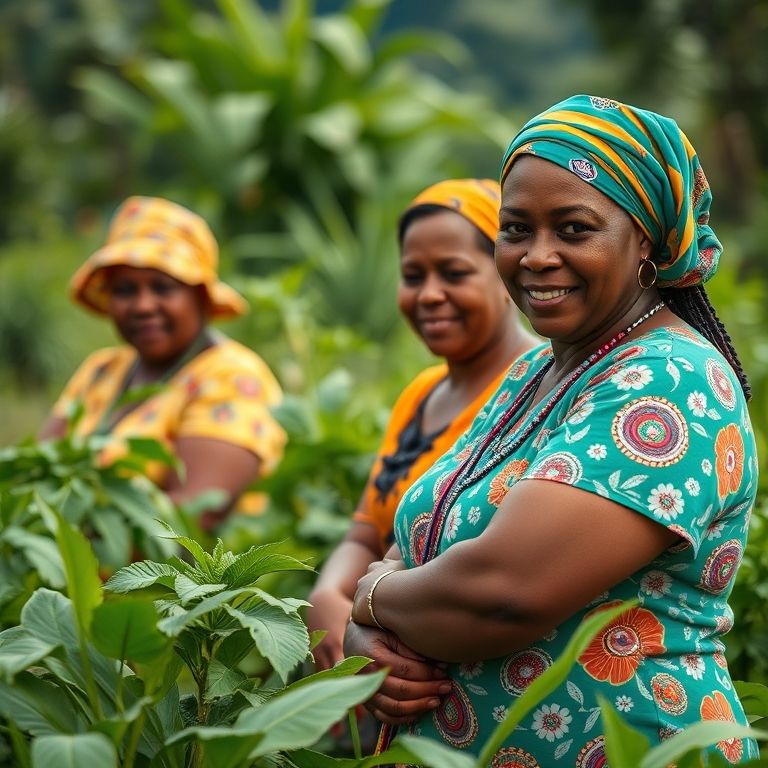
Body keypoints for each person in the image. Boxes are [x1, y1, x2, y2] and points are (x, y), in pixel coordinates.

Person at [345, 95, 759, 764]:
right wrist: (370, 636)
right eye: (516, 229)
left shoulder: (668, 380)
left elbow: (501, 594)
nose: (537, 256)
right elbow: (421, 545)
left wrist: (370, 600)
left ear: (646, 238)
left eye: (573, 229)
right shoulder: (536, 370)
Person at [307, 179, 539, 671]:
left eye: (454, 273)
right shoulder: (421, 395)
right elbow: (366, 531)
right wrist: (328, 595)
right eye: (413, 275)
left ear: (504, 274)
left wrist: (364, 615)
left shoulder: (538, 388)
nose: (430, 294)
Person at [40, 196, 287, 531]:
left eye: (163, 287)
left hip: (171, 581)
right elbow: (40, 467)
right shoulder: (102, 370)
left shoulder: (231, 376)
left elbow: (192, 517)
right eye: (125, 290)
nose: (143, 306)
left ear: (200, 297)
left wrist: (63, 537)